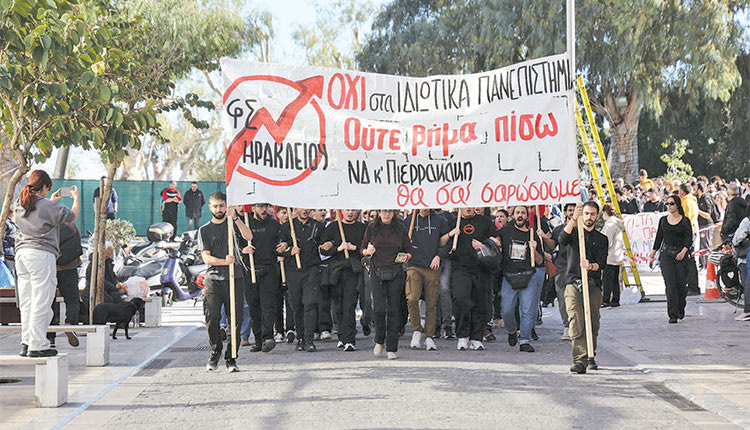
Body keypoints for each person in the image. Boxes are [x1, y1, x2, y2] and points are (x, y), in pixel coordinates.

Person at [14, 170, 79, 358]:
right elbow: (72, 216)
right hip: (41, 255)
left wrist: (51, 200)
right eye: (47, 188)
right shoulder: (47, 206)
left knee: (27, 301)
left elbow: (40, 210)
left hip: (22, 254)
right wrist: (75, 198)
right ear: (44, 187)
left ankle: (26, 342)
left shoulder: (20, 203)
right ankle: (38, 344)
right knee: (42, 300)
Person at [198, 191, 253, 372]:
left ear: (226, 205)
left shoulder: (233, 225)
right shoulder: (204, 230)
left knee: (235, 320)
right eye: (215, 206)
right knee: (212, 318)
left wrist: (236, 217)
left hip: (235, 278)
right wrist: (224, 261)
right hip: (214, 279)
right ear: (210, 207)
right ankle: (216, 351)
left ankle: (232, 358)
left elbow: (248, 236)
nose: (219, 209)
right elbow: (206, 257)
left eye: (222, 205)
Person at [559, 202, 608, 374]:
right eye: (586, 213)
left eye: (592, 214)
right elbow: (562, 239)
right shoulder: (574, 233)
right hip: (573, 283)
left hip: (593, 284)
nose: (589, 217)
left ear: (597, 216)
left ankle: (590, 355)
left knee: (592, 321)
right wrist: (574, 219)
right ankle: (579, 359)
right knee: (577, 321)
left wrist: (590, 266)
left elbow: (601, 264)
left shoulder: (602, 239)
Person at [361, 209, 413, 360]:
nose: (387, 214)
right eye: (384, 211)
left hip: (395, 271)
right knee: (378, 309)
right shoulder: (372, 227)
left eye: (390, 211)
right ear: (379, 212)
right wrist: (367, 251)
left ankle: (391, 347)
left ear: (394, 213)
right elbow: (362, 247)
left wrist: (406, 256)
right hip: (376, 271)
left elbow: (408, 248)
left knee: (393, 310)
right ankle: (379, 340)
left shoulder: (400, 227)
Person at [403, 209, 451, 350]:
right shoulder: (408, 221)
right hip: (414, 266)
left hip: (432, 266)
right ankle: (417, 330)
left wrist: (439, 256)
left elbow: (447, 244)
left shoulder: (440, 221)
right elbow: (401, 242)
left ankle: (429, 337)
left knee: (431, 303)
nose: (424, 207)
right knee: (412, 298)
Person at [319, 209, 366, 351]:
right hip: (336, 272)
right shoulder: (333, 227)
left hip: (353, 271)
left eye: (353, 210)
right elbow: (323, 250)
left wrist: (354, 248)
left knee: (349, 305)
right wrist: (337, 248)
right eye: (347, 210)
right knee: (338, 306)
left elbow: (367, 249)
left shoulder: (362, 228)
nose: (350, 213)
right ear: (341, 211)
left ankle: (349, 339)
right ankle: (341, 335)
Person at [498, 206, 544, 353]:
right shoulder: (505, 231)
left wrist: (534, 249)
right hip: (509, 277)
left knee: (527, 310)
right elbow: (494, 242)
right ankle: (511, 331)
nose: (520, 215)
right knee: (506, 311)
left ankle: (524, 340)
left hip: (528, 276)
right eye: (517, 212)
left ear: (526, 216)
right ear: (513, 215)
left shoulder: (532, 234)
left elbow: (539, 260)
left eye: (523, 213)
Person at [279, 208, 324, 352]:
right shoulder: (286, 227)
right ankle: (300, 338)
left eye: (307, 207)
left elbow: (325, 245)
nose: (305, 210)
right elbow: (278, 248)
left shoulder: (318, 226)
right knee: (297, 305)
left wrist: (328, 246)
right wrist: (288, 250)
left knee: (310, 303)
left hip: (311, 269)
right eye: (301, 207)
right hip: (293, 271)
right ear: (295, 209)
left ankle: (309, 339)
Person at [242, 203, 282, 353]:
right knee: (254, 306)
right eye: (260, 207)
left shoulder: (274, 224)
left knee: (268, 305)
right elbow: (235, 245)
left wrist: (283, 247)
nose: (264, 210)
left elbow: (282, 242)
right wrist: (243, 250)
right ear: (253, 208)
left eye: (267, 206)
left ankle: (268, 338)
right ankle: (258, 340)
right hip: (251, 269)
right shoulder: (246, 223)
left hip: (269, 269)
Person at [649, 194, 692, 324]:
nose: (669, 206)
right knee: (670, 285)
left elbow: (689, 238)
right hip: (666, 255)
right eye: (667, 203)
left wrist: (684, 251)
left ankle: (680, 307)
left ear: (677, 205)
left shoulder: (685, 221)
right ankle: (672, 314)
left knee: (681, 285)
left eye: (671, 203)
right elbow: (659, 238)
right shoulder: (663, 220)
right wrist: (653, 255)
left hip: (681, 255)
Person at [47, 220, 83, 348]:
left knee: (49, 302)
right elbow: (77, 241)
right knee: (72, 300)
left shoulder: (47, 223)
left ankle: (50, 338)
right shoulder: (70, 224)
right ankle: (70, 324)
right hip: (69, 267)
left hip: (50, 268)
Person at [80, 243, 127, 323]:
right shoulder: (94, 265)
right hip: (94, 290)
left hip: (107, 290)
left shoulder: (108, 263)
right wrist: (114, 287)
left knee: (119, 297)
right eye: (110, 250)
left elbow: (113, 277)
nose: (112, 252)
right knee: (112, 299)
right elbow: (99, 281)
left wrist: (118, 285)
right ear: (104, 251)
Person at [551, 203, 576, 340]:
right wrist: (544, 237)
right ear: (565, 213)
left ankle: (577, 326)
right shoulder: (558, 229)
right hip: (562, 268)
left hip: (579, 269)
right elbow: (551, 246)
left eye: (575, 210)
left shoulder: (584, 229)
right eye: (570, 210)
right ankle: (567, 326)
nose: (572, 212)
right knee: (562, 298)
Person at [678, 183, 700, 295]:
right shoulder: (693, 200)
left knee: (689, 260)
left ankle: (693, 286)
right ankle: (691, 285)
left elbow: (685, 218)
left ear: (682, 192)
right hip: (693, 230)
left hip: (688, 231)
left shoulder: (686, 202)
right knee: (689, 259)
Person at [600, 204, 623, 307]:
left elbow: (607, 241)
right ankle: (615, 299)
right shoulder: (617, 224)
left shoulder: (610, 225)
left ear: (605, 212)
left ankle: (606, 299)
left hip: (609, 257)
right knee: (614, 280)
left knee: (607, 280)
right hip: (616, 256)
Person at [731, 206, 750, 321]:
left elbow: (738, 237)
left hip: (745, 257)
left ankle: (747, 311)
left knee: (747, 283)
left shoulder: (747, 221)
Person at [694, 183, 718, 269]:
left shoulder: (706, 199)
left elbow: (708, 215)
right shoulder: (699, 198)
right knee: (701, 246)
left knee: (705, 246)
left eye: (695, 188)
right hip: (700, 225)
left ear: (699, 189)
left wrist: (697, 210)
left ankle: (707, 266)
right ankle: (703, 265)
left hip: (706, 224)